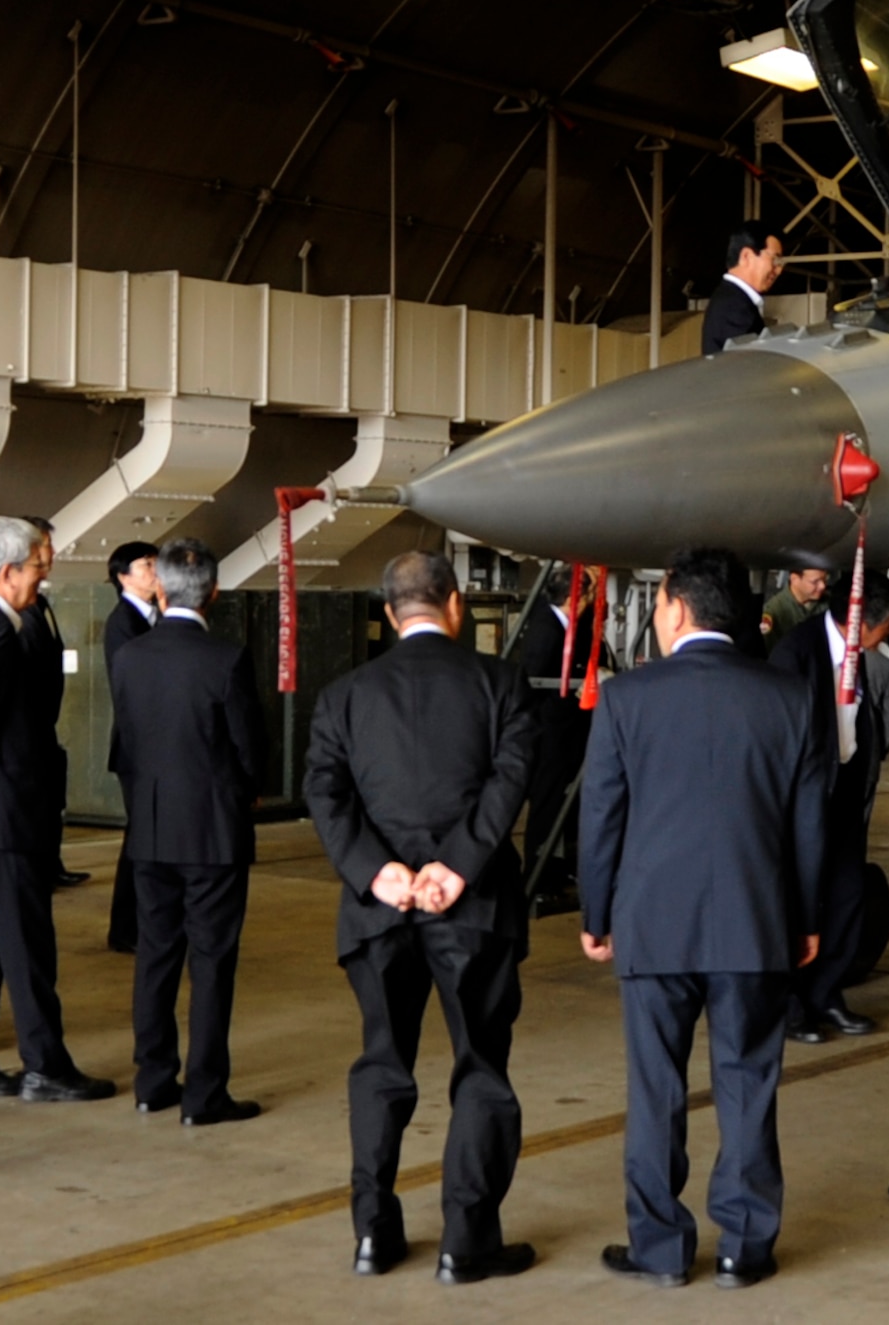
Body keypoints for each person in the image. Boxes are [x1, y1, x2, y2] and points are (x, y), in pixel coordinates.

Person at [580, 547, 826, 1290]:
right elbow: (810, 823)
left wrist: (597, 912)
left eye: (658, 605)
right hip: (756, 922)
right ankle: (744, 1248)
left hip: (653, 924)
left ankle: (659, 1249)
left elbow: (602, 815)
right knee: (749, 1082)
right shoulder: (789, 697)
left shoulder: (629, 698)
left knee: (656, 1087)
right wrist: (805, 917)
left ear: (678, 609)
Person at [306, 550, 540, 1285]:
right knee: (480, 1066)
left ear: (389, 612)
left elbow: (325, 792)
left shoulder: (344, 694)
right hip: (474, 909)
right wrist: (457, 866)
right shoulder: (499, 683)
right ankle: (466, 1242)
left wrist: (378, 871)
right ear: (455, 604)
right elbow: (510, 781)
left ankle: (373, 1233)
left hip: (378, 910)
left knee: (381, 1064)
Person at [0, 516, 115, 1102]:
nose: (43, 578)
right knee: (27, 944)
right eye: (39, 567)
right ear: (8, 572)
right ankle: (45, 1066)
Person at [111, 538, 266, 1127]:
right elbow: (249, 748)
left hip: (150, 829)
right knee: (211, 962)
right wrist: (246, 789)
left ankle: (152, 1082)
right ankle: (205, 1094)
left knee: (155, 955)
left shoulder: (131, 656)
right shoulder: (226, 658)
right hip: (213, 832)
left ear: (160, 589)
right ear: (214, 593)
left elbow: (127, 744)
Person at [770, 572, 889, 1043]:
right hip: (803, 796)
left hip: (845, 788)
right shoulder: (795, 652)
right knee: (797, 899)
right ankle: (790, 1006)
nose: (888, 634)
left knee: (847, 895)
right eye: (887, 625)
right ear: (863, 621)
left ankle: (825, 992)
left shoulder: (859, 655)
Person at [516, 565, 613, 902]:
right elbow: (533, 685)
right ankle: (538, 877)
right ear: (575, 598)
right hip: (550, 734)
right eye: (590, 593)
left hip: (570, 731)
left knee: (567, 804)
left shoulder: (572, 626)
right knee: (546, 804)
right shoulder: (546, 630)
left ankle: (560, 867)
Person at [17, 517, 84, 890]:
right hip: (28, 728)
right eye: (43, 543)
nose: (51, 552)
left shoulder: (40, 602)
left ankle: (49, 864)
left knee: (50, 801)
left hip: (45, 724)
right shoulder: (16, 611)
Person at [103, 539, 162, 954]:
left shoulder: (158, 615)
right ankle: (125, 929)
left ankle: (144, 922)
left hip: (156, 746)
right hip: (138, 748)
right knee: (140, 836)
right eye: (146, 565)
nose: (155, 571)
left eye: (157, 563)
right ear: (123, 577)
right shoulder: (122, 622)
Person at [700, 221, 782, 355]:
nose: (778, 270)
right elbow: (751, 363)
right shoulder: (734, 307)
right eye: (774, 260)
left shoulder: (732, 299)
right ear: (746, 256)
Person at [760, 567, 830, 657]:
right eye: (815, 582)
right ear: (795, 579)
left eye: (825, 579)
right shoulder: (773, 612)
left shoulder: (829, 603)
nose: (822, 586)